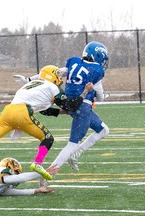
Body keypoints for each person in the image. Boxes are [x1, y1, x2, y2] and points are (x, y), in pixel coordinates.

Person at [0, 65, 91, 180]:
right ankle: (37, 163)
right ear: (55, 77)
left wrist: (60, 112)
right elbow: (70, 105)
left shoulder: (31, 85)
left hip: (8, 112)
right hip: (22, 113)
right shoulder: (52, 87)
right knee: (48, 138)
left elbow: (43, 109)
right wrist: (84, 92)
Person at [13, 41, 109, 172]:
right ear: (97, 56)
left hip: (68, 103)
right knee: (72, 144)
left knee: (104, 130)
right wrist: (101, 95)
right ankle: (50, 172)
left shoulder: (74, 63)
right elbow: (101, 97)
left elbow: (55, 72)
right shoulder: (95, 71)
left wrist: (28, 79)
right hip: (82, 107)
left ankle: (75, 154)